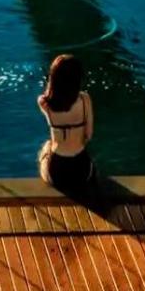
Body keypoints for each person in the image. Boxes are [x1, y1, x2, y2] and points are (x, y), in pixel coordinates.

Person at [37, 53, 98, 200]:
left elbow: (51, 96)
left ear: (53, 77)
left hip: (56, 172)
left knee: (46, 147)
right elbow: (89, 135)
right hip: (82, 170)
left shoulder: (44, 102)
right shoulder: (85, 100)